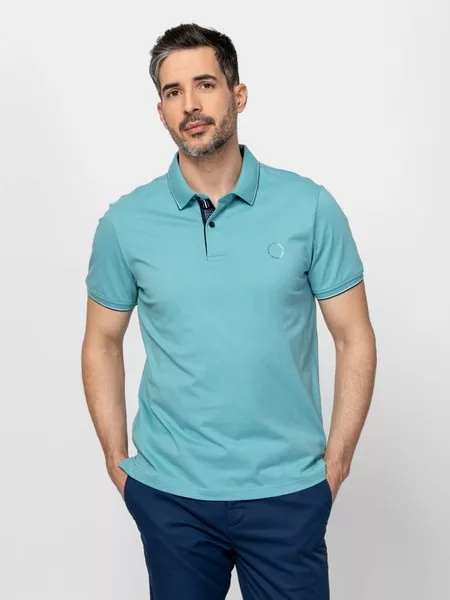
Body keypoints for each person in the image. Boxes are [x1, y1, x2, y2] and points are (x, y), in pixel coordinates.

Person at [81, 22, 377, 600]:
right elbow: (102, 342)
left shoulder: (310, 208)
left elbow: (354, 337)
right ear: (161, 111)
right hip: (172, 499)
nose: (190, 104)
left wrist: (335, 465)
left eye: (205, 84)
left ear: (238, 95)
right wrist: (119, 465)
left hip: (287, 493)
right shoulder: (125, 224)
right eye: (173, 92)